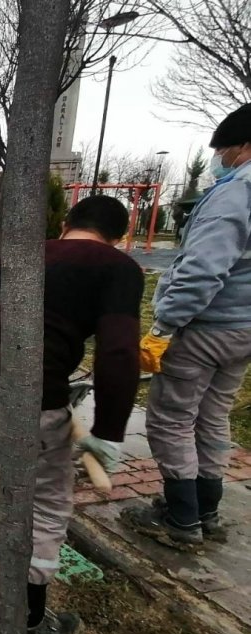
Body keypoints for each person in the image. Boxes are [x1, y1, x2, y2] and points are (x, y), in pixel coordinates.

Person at [0, 195, 144, 634]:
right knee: (48, 501)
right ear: (120, 236)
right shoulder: (117, 266)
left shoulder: (27, 253)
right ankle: (29, 621)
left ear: (66, 223)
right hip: (27, 396)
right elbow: (119, 352)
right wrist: (109, 430)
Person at [124, 104, 251, 548]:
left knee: (172, 418)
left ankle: (181, 520)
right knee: (213, 416)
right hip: (243, 331)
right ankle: (205, 508)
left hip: (207, 327)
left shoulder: (238, 193)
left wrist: (164, 326)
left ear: (244, 146)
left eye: (225, 150)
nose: (221, 159)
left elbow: (203, 269)